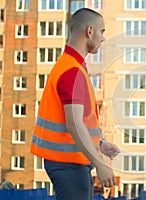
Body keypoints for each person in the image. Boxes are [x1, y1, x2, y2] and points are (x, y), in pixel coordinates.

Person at [30, 8, 120, 200]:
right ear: (89, 32)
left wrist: (100, 144)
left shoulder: (70, 66)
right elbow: (74, 124)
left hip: (69, 163)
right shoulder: (72, 71)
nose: (103, 38)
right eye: (102, 31)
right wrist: (100, 164)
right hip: (69, 165)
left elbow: (73, 122)